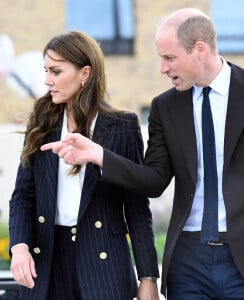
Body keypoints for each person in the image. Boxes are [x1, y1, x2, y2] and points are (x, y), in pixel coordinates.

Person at [41, 8, 244, 300]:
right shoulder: (165, 106)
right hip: (188, 261)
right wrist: (99, 155)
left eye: (169, 58)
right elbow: (153, 180)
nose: (162, 68)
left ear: (200, 49)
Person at [9, 31, 160, 300]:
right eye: (46, 70)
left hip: (105, 264)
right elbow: (23, 196)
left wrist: (148, 277)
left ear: (85, 73)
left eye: (56, 71)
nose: (47, 80)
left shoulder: (122, 126)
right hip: (48, 260)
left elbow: (137, 208)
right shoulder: (41, 124)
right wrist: (19, 247)